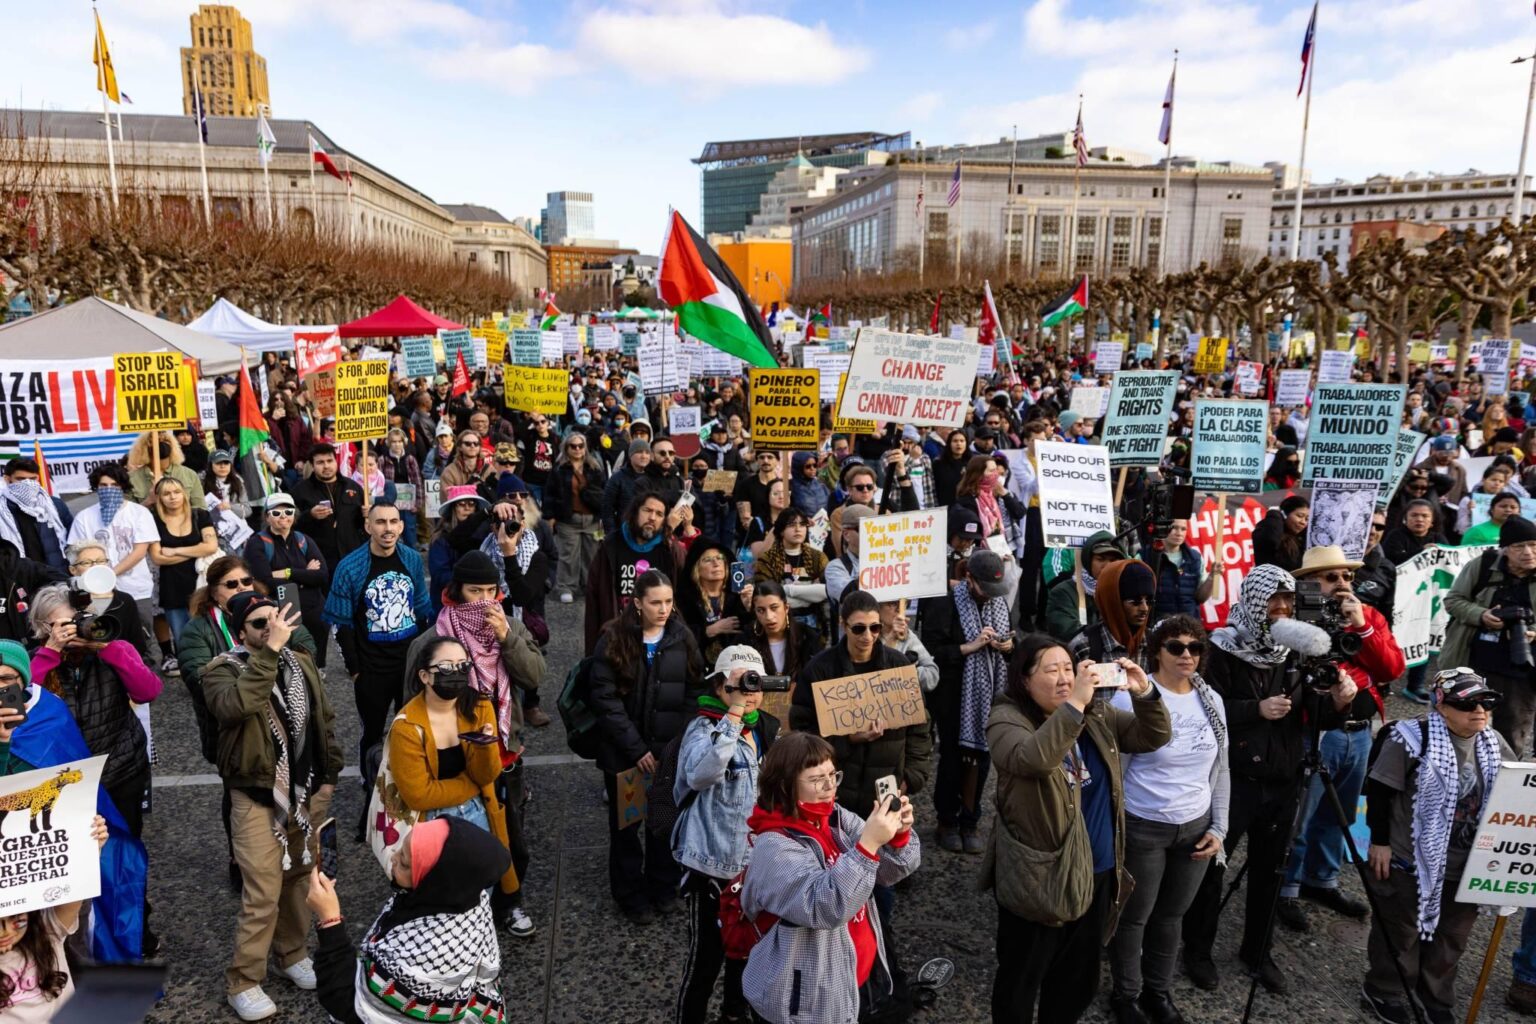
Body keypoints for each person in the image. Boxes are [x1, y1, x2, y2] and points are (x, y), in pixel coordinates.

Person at [1180, 564, 1357, 994]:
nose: (1281, 610)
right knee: (1213, 868)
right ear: (1255, 601)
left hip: (1283, 778)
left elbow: (1311, 718)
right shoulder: (1220, 648)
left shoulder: (1295, 650)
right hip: (1234, 779)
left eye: (1288, 602)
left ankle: (1258, 952)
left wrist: (1338, 701)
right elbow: (1203, 708)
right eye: (1274, 601)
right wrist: (1252, 711)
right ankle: (1197, 951)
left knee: (1270, 872)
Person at [982, 633, 1171, 1024]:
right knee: (1021, 979)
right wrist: (1076, 704)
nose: (1065, 678)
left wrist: (1145, 691)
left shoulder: (1096, 715)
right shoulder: (1006, 719)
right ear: (1024, 680)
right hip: (1039, 875)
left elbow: (1153, 736)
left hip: (1098, 868)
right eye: (1051, 670)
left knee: (1076, 981)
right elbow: (1033, 759)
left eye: (1070, 668)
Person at [202, 592, 342, 1022]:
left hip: (304, 792)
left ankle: (293, 952)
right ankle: (243, 980)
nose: (269, 629)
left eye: (274, 620)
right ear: (241, 631)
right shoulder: (221, 670)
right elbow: (236, 706)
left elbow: (324, 719)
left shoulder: (299, 663)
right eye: (259, 624)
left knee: (300, 877)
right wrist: (271, 651)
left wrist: (330, 778)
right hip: (255, 794)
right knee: (262, 890)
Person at [1359, 668, 1512, 1024]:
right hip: (1410, 857)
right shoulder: (1409, 739)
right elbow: (1380, 792)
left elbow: (1515, 787)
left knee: (1452, 936)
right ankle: (1385, 990)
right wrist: (1379, 842)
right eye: (1467, 703)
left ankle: (1435, 998)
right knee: (1401, 931)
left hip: (1467, 861)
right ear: (1442, 707)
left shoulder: (1492, 741)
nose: (1480, 711)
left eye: (1485, 702)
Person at [407, 549, 545, 936]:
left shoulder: (510, 628)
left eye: (490, 590)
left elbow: (534, 675)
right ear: (455, 592)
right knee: (457, 842)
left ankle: (510, 902)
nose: (484, 600)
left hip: (504, 753)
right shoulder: (432, 639)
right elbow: (409, 703)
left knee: (511, 841)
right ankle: (462, 913)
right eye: (474, 590)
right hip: (453, 758)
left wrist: (506, 639)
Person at [739, 732, 920, 1024]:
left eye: (832, 775)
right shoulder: (772, 846)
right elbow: (826, 906)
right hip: (809, 998)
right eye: (815, 779)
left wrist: (897, 836)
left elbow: (889, 872)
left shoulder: (835, 817)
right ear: (785, 785)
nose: (828, 787)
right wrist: (868, 845)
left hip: (852, 973)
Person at [1277, 545, 1405, 933]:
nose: (1343, 584)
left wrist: (1362, 628)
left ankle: (1323, 880)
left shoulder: (1367, 616)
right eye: (1331, 577)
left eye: (1347, 576)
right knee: (1302, 813)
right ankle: (1286, 888)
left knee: (1341, 813)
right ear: (1308, 584)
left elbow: (1393, 667)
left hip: (1360, 733)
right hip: (1316, 731)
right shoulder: (1295, 618)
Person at [1107, 616, 1227, 1024]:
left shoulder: (1211, 699)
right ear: (1157, 650)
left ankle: (1158, 992)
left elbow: (1221, 768)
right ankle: (1126, 995)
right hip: (1144, 824)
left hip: (1195, 826)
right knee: (1134, 916)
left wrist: (1220, 828)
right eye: (1176, 647)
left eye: (1195, 648)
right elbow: (1114, 767)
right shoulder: (1129, 698)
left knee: (1171, 917)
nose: (1187, 655)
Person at [672, 645, 783, 1024]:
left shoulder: (765, 728)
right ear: (720, 686)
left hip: (752, 869)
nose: (752, 690)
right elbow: (700, 774)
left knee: (746, 956)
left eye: (757, 681)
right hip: (711, 867)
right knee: (706, 960)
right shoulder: (703, 727)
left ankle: (733, 1016)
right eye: (742, 682)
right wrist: (733, 715)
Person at [308, 818, 510, 1024]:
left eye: (405, 863)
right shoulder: (466, 894)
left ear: (435, 881)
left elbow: (346, 1003)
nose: (393, 857)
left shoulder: (434, 952)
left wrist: (329, 920)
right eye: (401, 848)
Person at [588, 569, 702, 922]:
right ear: (637, 603)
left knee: (663, 822)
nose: (663, 609)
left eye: (668, 602)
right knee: (626, 829)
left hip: (667, 751)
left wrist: (676, 743)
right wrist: (637, 750)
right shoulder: (613, 638)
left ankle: (662, 888)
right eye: (655, 602)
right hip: (625, 755)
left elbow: (694, 690)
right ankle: (630, 895)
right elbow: (604, 700)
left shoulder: (682, 637)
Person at [388, 636, 522, 920]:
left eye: (463, 666)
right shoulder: (407, 726)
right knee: (441, 902)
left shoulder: (479, 707)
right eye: (446, 667)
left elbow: (488, 774)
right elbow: (419, 795)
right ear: (425, 676)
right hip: (431, 823)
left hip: (478, 814)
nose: (457, 674)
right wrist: (471, 784)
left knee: (481, 894)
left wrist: (485, 750)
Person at [28, 583, 161, 836]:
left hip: (120, 769)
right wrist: (52, 652)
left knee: (125, 847)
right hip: (61, 779)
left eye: (79, 620)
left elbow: (148, 692)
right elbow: (24, 704)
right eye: (63, 624)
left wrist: (106, 649)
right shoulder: (35, 660)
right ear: (44, 627)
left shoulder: (115, 651)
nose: (75, 629)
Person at [324, 503, 432, 784]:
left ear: (400, 525)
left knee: (410, 725)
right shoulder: (350, 567)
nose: (388, 528)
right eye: (380, 522)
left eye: (394, 521)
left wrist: (425, 657)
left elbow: (422, 610)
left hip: (408, 663)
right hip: (371, 668)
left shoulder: (410, 558)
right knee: (371, 731)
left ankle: (405, 776)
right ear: (368, 526)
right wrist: (355, 669)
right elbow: (341, 623)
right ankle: (369, 779)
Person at [921, 549, 1014, 854]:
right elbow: (931, 651)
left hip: (989, 697)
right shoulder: (945, 602)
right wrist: (969, 646)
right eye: (984, 589)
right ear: (969, 579)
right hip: (953, 694)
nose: (989, 596)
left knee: (982, 757)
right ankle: (946, 820)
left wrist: (1008, 645)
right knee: (952, 758)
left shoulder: (998, 603)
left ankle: (970, 821)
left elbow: (1013, 647)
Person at [1440, 515, 1536, 756]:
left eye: (1534, 545)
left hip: (1522, 669)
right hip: (1475, 662)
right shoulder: (1482, 566)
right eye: (1518, 546)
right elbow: (1453, 600)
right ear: (1504, 549)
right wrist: (1481, 615)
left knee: (1513, 734)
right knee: (1460, 726)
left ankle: (1503, 786)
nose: (1528, 552)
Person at [0, 815, 110, 1020]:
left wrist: (89, 846)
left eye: (15, 917)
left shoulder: (48, 933)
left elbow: (76, 887)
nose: (5, 931)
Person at [66, 463, 161, 661]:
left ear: (123, 487)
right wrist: (96, 579)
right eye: (103, 485)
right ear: (96, 487)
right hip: (96, 592)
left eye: (114, 485)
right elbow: (76, 552)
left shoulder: (139, 513)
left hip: (136, 587)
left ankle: (144, 679)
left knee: (141, 636)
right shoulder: (84, 517)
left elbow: (139, 551)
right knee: (103, 635)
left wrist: (109, 574)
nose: (109, 489)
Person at [584, 490, 681, 650]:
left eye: (659, 514)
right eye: (647, 510)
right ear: (635, 511)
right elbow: (594, 597)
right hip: (618, 633)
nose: (652, 518)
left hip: (658, 635)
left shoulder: (669, 549)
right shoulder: (611, 545)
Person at [244, 493, 330, 667]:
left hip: (313, 609)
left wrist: (288, 572)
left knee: (315, 658)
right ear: (267, 517)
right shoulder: (258, 543)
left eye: (288, 512)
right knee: (288, 658)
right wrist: (305, 575)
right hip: (280, 609)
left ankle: (316, 671)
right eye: (276, 513)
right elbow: (265, 582)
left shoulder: (303, 540)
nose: (283, 516)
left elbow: (322, 576)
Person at [148, 475, 220, 669]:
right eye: (166, 493)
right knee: (183, 640)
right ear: (159, 498)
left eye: (177, 492)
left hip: (202, 585)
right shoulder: (153, 520)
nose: (173, 497)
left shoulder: (200, 515)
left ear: (185, 494)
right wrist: (196, 550)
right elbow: (157, 558)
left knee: (210, 634)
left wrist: (175, 550)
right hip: (172, 587)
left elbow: (212, 546)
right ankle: (192, 677)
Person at [544, 431, 606, 604]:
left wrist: (604, 516)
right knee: (568, 555)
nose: (577, 449)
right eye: (573, 446)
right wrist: (549, 516)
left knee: (592, 556)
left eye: (581, 445)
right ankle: (566, 587)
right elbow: (549, 493)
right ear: (567, 448)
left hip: (592, 519)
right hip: (567, 519)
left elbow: (604, 492)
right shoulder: (558, 469)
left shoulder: (594, 467)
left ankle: (590, 586)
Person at [676, 538, 752, 669]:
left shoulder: (738, 596)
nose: (716, 563)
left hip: (734, 667)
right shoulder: (685, 599)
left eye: (719, 558)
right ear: (696, 568)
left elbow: (751, 636)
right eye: (707, 560)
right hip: (696, 669)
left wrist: (749, 608)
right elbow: (678, 636)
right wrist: (710, 630)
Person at [292, 443, 367, 574]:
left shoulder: (353, 487)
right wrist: (310, 515)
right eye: (320, 462)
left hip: (352, 556)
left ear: (336, 461)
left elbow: (362, 525)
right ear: (312, 465)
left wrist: (367, 515)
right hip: (320, 559)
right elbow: (291, 524)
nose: (326, 466)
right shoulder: (300, 491)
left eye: (329, 461)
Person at [1068, 560, 1158, 666]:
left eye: (1149, 601)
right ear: (1113, 602)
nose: (1145, 608)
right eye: (1135, 602)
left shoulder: (1156, 644)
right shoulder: (1084, 647)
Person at [1045, 530, 1127, 643]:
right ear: (1088, 561)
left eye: (1113, 560)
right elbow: (1066, 632)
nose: (1107, 565)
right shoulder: (1063, 593)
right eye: (1100, 559)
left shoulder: (1126, 592)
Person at [741, 580, 824, 679]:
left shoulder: (808, 637)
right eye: (761, 610)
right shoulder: (746, 641)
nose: (769, 617)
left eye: (774, 608)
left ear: (786, 608)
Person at [0, 459, 69, 573]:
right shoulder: (3, 511)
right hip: (20, 578)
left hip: (57, 575)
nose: (27, 484)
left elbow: (72, 540)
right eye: (21, 479)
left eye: (32, 479)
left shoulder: (54, 505)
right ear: (7, 479)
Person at [1145, 520, 1218, 620]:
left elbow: (1200, 598)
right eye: (1174, 528)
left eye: (1183, 529)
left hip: (1189, 629)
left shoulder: (1195, 558)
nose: (1179, 533)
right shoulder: (1145, 556)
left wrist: (1212, 576)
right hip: (1158, 629)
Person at [125, 429, 206, 506]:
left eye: (166, 440)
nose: (160, 443)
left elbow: (200, 508)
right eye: (153, 441)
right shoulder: (130, 478)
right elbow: (127, 514)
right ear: (144, 448)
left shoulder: (189, 475)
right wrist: (148, 502)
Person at [824, 503, 878, 610]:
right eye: (864, 529)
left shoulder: (888, 561)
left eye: (875, 529)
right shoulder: (835, 567)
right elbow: (850, 598)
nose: (871, 534)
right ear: (846, 535)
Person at [603, 439, 653, 534]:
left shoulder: (654, 477)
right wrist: (612, 533)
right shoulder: (617, 478)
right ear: (630, 455)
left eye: (647, 452)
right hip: (624, 532)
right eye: (639, 452)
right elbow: (607, 509)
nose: (644, 456)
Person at [1252, 494, 1309, 572]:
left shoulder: (1300, 538)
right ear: (1285, 514)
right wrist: (1275, 515)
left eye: (1307, 519)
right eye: (1299, 516)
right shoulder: (1268, 528)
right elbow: (1271, 540)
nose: (1303, 522)